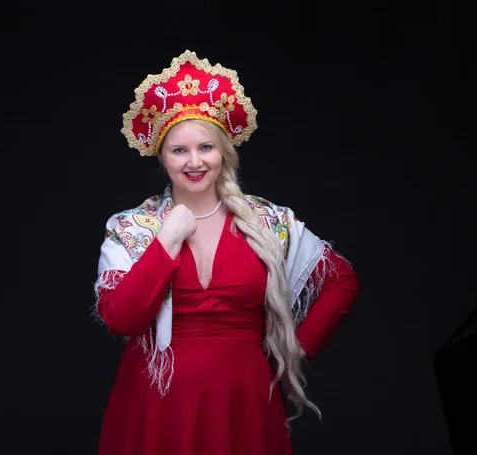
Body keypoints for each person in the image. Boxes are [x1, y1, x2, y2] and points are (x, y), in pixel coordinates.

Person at [92, 50, 360, 455]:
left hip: (244, 402)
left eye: (206, 148)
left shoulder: (267, 221)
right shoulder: (132, 227)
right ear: (161, 156)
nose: (195, 162)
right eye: (179, 150)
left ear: (224, 153)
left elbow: (341, 279)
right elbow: (121, 319)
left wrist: (295, 347)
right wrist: (167, 241)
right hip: (155, 406)